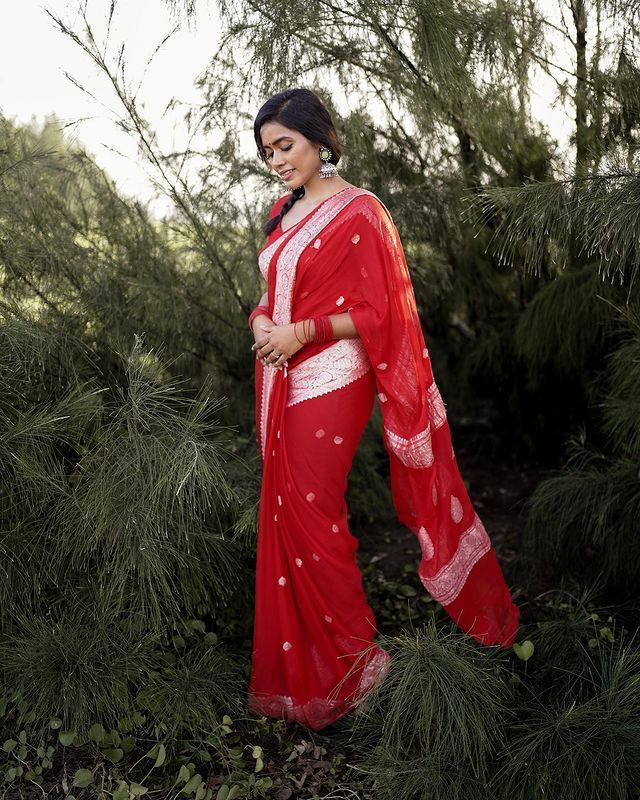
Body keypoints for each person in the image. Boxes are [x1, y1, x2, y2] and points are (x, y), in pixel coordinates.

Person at [247, 88, 519, 731]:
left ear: (319, 139)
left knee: (315, 513)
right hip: (279, 373)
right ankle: (313, 666)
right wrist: (262, 320)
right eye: (268, 152)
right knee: (289, 511)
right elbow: (272, 291)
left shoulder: (361, 212)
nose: (278, 160)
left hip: (333, 378)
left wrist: (301, 334)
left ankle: (359, 665)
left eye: (286, 145)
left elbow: (380, 312)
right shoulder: (280, 213)